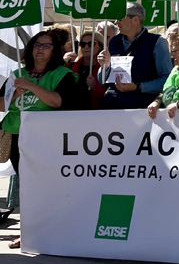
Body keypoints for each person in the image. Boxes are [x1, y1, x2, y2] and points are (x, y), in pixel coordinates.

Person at [0, 30, 77, 249]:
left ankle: (53, 231)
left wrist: (32, 86)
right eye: (36, 45)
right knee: (27, 187)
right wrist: (15, 95)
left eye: (46, 46)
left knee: (47, 187)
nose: (39, 49)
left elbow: (58, 102)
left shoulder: (63, 74)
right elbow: (1, 105)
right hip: (17, 136)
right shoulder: (17, 73)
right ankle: (29, 233)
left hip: (46, 138)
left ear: (55, 52)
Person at [98, 2, 173, 109]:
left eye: (120, 19)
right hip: (112, 106)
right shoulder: (114, 41)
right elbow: (102, 81)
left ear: (135, 20)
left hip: (141, 109)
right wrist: (104, 67)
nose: (116, 22)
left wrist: (138, 87)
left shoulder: (157, 42)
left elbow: (166, 80)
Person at [71, 31, 105, 110]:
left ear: (100, 46)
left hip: (95, 112)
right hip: (72, 111)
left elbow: (107, 95)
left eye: (91, 44)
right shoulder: (70, 66)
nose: (86, 47)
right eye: (83, 44)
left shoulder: (105, 68)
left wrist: (95, 87)